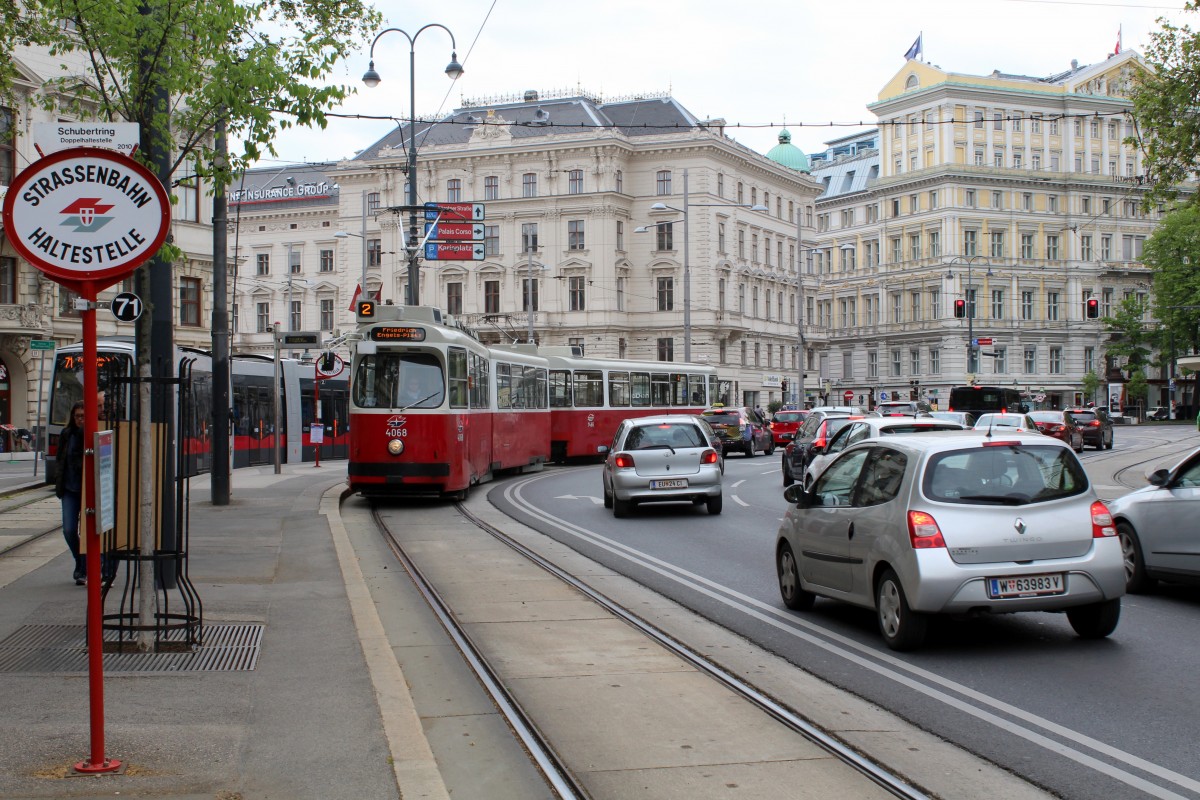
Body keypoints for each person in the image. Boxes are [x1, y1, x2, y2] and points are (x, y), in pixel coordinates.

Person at [54, 401, 87, 585]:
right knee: (68, 529)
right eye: (77, 416)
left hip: (87, 489)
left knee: (90, 531)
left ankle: (84, 568)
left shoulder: (93, 433)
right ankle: (80, 559)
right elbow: (60, 460)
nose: (80, 419)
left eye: (83, 416)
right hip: (69, 488)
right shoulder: (66, 434)